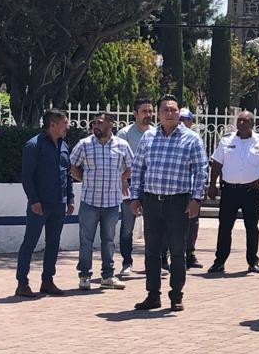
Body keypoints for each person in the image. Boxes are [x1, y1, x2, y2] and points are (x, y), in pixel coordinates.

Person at [128, 95, 209, 312]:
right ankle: (153, 295)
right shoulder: (148, 138)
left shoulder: (191, 139)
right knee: (152, 251)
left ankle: (176, 296)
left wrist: (196, 199)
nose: (170, 113)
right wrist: (135, 197)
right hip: (152, 202)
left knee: (177, 251)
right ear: (159, 113)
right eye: (165, 110)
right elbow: (138, 169)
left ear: (179, 112)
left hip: (178, 203)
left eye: (174, 110)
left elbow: (201, 171)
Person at [14, 109, 75, 298]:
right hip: (40, 204)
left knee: (53, 243)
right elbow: (27, 177)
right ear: (53, 125)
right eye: (64, 122)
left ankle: (47, 281)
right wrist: (34, 200)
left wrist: (70, 198)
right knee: (29, 243)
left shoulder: (64, 145)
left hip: (59, 204)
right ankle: (22, 283)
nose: (68, 125)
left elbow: (67, 174)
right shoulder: (34, 145)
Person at [70, 112, 133, 291]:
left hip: (112, 202)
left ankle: (107, 276)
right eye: (93, 123)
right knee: (86, 240)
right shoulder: (84, 144)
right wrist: (84, 178)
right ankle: (84, 276)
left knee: (109, 240)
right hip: (90, 201)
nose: (95, 126)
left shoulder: (122, 145)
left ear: (110, 125)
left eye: (99, 122)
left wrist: (120, 177)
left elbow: (131, 167)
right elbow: (73, 166)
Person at [206, 110, 259, 274]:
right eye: (240, 120)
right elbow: (217, 164)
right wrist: (212, 185)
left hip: (251, 191)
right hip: (229, 190)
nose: (242, 123)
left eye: (246, 121)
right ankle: (219, 261)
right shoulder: (226, 141)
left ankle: (253, 261)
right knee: (224, 227)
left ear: (253, 123)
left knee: (251, 227)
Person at [117, 98, 154, 278]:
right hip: (130, 186)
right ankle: (126, 263)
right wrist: (123, 179)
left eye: (150, 111)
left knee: (153, 228)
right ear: (135, 113)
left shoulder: (156, 133)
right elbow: (118, 161)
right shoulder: (124, 134)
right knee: (127, 228)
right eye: (144, 111)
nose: (148, 115)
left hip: (152, 187)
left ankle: (153, 263)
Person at [178, 108, 203, 270]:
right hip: (176, 190)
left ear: (190, 122)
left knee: (192, 224)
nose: (181, 122)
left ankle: (190, 254)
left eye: (184, 119)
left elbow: (201, 167)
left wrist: (199, 192)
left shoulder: (194, 139)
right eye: (179, 118)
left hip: (191, 189)